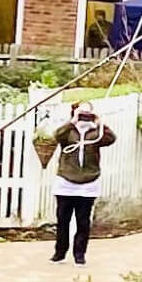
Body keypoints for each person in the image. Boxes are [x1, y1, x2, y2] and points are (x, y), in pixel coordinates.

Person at [49, 102, 115, 266]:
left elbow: (111, 139)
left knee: (83, 222)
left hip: (88, 183)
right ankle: (60, 253)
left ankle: (80, 254)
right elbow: (57, 136)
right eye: (82, 112)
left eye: (88, 112)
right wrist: (73, 121)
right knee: (63, 220)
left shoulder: (96, 132)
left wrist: (100, 122)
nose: (85, 115)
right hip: (66, 181)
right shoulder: (68, 130)